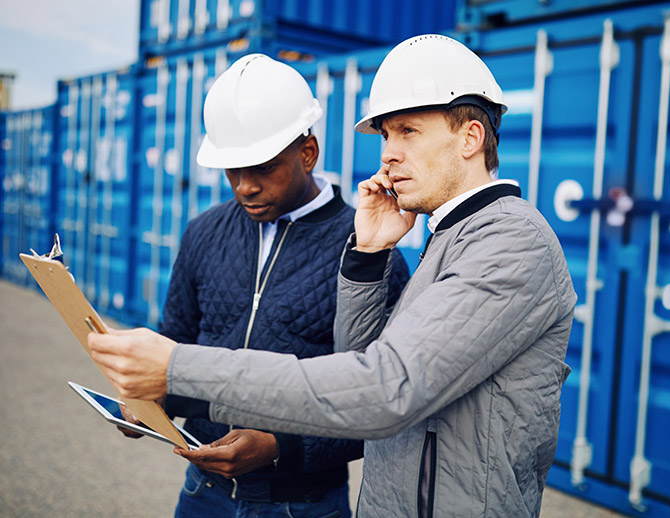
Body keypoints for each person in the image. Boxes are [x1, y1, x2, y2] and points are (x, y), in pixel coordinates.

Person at [90, 35, 576, 518]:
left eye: (407, 131)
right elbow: (360, 364)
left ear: (470, 138)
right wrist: (367, 255)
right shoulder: (448, 238)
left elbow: (384, 390)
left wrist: (178, 369)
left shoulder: (511, 242)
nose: (388, 154)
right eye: (385, 135)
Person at [123, 53, 410, 517]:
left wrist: (282, 447)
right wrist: (149, 400)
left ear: (307, 153)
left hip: (304, 505)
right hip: (202, 495)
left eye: (261, 168)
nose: (244, 187)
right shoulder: (203, 232)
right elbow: (176, 343)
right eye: (232, 170)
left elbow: (385, 400)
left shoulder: (369, 251)